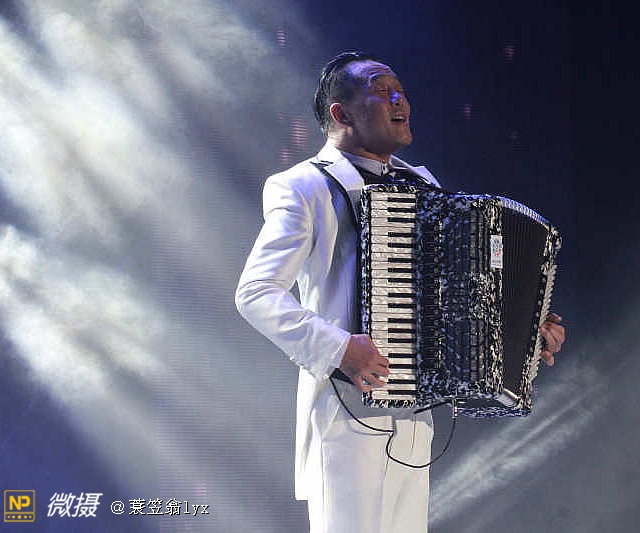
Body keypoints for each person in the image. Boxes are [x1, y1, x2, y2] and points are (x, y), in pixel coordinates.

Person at [235, 51, 565, 533]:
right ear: (341, 113)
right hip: (346, 410)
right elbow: (256, 292)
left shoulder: (422, 184)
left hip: (415, 421)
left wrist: (523, 333)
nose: (399, 100)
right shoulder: (304, 185)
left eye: (401, 91)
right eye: (380, 89)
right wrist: (340, 348)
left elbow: (456, 298)